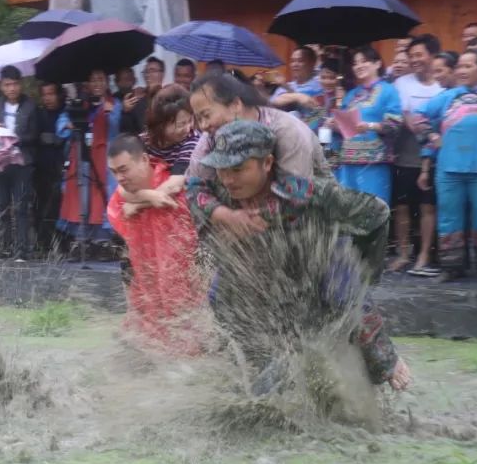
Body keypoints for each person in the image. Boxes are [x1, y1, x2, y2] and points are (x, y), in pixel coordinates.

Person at [186, 120, 411, 394]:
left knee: (345, 291)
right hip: (266, 275)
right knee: (220, 298)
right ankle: (256, 370)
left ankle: (386, 361)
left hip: (323, 263)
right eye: (221, 169)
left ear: (267, 163)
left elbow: (377, 214)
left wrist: (365, 272)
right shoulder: (223, 194)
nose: (228, 179)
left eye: (238, 169)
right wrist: (227, 215)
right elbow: (194, 190)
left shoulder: (305, 192)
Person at [186, 72, 329, 238]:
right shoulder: (212, 137)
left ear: (235, 105)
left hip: (310, 226)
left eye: (206, 115)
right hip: (248, 228)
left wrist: (247, 221)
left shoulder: (287, 131)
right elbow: (192, 188)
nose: (203, 125)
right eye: (198, 119)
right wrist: (226, 216)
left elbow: (298, 197)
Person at [107, 134, 200, 348]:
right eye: (114, 172)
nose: (119, 178)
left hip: (184, 292)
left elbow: (170, 197)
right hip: (147, 294)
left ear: (145, 160)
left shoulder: (173, 183)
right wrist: (145, 198)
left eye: (124, 169)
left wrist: (142, 201)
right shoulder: (121, 196)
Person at [415, 48, 477, 281]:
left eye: (469, 66)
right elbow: (419, 116)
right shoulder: (448, 96)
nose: (462, 70)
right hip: (448, 169)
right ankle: (452, 267)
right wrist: (430, 136)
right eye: (460, 66)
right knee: (449, 217)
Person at [391, 34, 443, 275]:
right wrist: (415, 123)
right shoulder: (402, 83)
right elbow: (402, 115)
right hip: (406, 152)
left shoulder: (442, 84)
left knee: (427, 206)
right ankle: (403, 253)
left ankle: (424, 255)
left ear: (432, 55)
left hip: (435, 155)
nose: (414, 60)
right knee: (402, 204)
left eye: (419, 54)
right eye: (411, 56)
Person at [56, 68, 122, 254]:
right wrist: (68, 124)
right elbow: (62, 123)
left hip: (104, 157)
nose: (97, 84)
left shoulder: (113, 103)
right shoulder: (81, 103)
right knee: (80, 196)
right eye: (93, 80)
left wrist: (110, 113)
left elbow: (116, 127)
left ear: (107, 82)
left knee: (101, 196)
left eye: (101, 80)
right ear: (88, 84)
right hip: (81, 156)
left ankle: (102, 240)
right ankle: (81, 237)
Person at [332, 46, 402, 206]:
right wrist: (334, 124)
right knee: (348, 212)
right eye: (355, 63)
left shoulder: (389, 91)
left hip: (374, 162)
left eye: (364, 61)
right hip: (347, 162)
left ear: (377, 64)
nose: (359, 66)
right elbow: (343, 128)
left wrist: (370, 125)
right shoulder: (350, 95)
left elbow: (395, 125)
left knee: (372, 210)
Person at [0, 65, 39, 261]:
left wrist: (13, 137)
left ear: (21, 84)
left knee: (21, 206)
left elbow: (34, 135)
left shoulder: (30, 106)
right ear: (1, 86)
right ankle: (3, 248)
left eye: (15, 84)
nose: (11, 88)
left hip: (21, 161)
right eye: (7, 85)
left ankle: (22, 250)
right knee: (1, 205)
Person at [33, 82, 66, 255]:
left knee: (60, 208)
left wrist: (52, 139)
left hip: (61, 167)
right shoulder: (39, 114)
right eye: (44, 94)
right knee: (41, 207)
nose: (48, 98)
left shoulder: (65, 113)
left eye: (51, 94)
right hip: (41, 168)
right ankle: (43, 245)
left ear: (58, 94)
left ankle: (62, 245)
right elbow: (34, 137)